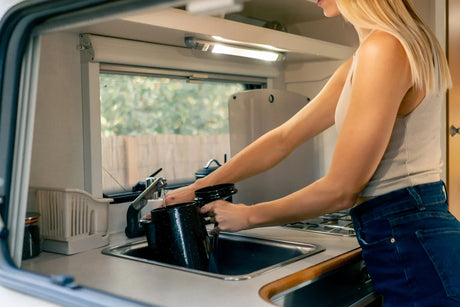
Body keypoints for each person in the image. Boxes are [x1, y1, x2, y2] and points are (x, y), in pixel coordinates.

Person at [165, 0, 460, 305]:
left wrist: (247, 215)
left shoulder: (385, 49)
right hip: (412, 232)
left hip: (409, 240)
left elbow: (340, 191)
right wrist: (198, 187)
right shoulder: (377, 50)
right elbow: (284, 137)